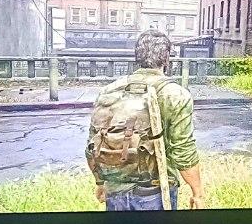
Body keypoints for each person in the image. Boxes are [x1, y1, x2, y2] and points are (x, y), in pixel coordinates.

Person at [86, 29, 205, 210]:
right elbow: (183, 150)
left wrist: (100, 182)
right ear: (166, 59)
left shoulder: (109, 91)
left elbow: (93, 144)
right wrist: (197, 192)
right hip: (155, 193)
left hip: (116, 190)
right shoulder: (176, 94)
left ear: (137, 57)